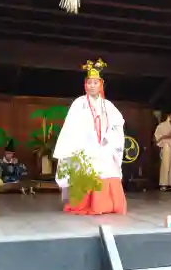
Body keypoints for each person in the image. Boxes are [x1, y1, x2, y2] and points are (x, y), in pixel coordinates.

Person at [53, 58, 126, 215]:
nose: (92, 86)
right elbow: (71, 125)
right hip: (85, 145)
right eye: (89, 83)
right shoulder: (79, 103)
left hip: (104, 145)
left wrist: (109, 137)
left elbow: (118, 122)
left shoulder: (107, 105)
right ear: (85, 85)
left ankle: (107, 204)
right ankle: (87, 204)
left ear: (101, 84)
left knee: (107, 169)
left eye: (95, 83)